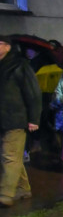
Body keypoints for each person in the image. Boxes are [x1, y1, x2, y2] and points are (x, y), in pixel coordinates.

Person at [0, 37, 42, 207]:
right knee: (12, 156)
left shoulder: (19, 66)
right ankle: (23, 188)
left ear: (7, 47)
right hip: (2, 119)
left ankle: (5, 193)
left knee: (10, 156)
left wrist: (34, 119)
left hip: (15, 119)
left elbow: (33, 93)